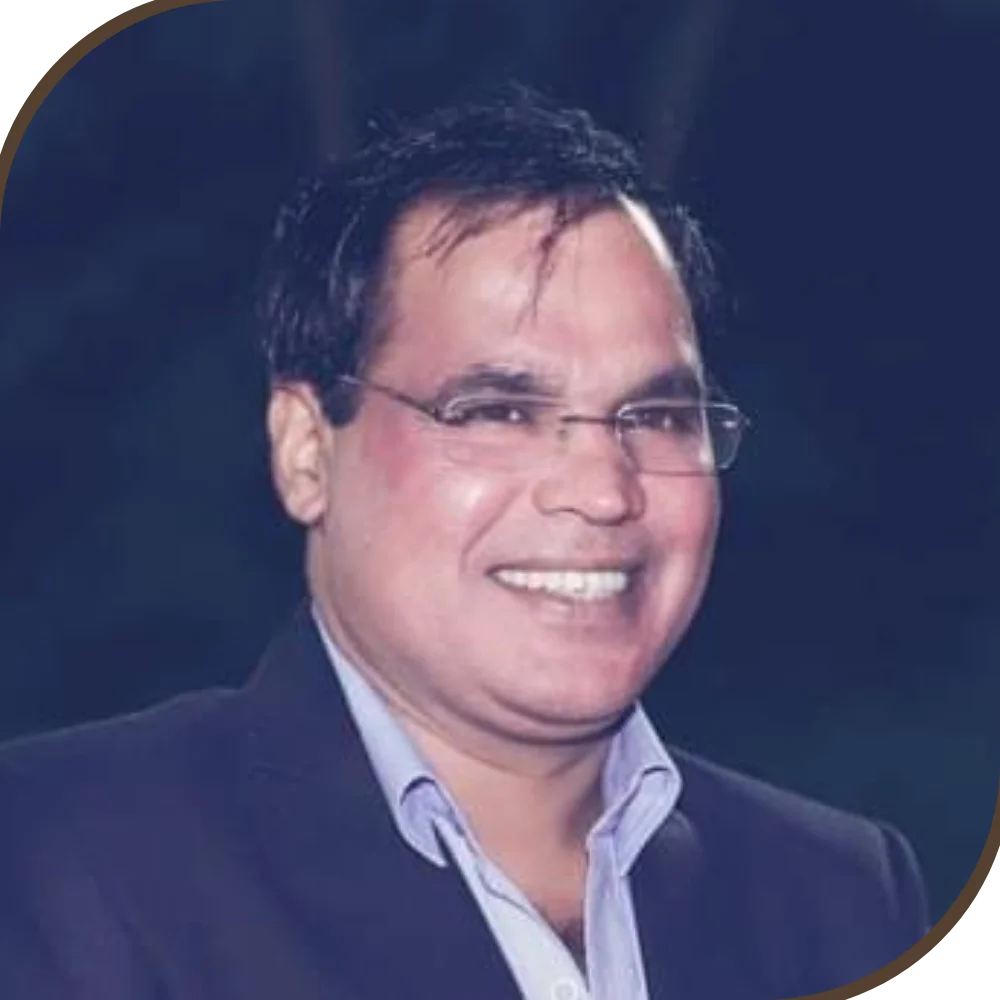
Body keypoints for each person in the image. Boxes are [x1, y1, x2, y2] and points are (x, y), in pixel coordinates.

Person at [0, 84, 929, 1000]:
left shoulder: (844, 898)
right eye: (497, 410)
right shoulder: (60, 861)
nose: (603, 490)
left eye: (654, 416)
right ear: (307, 451)